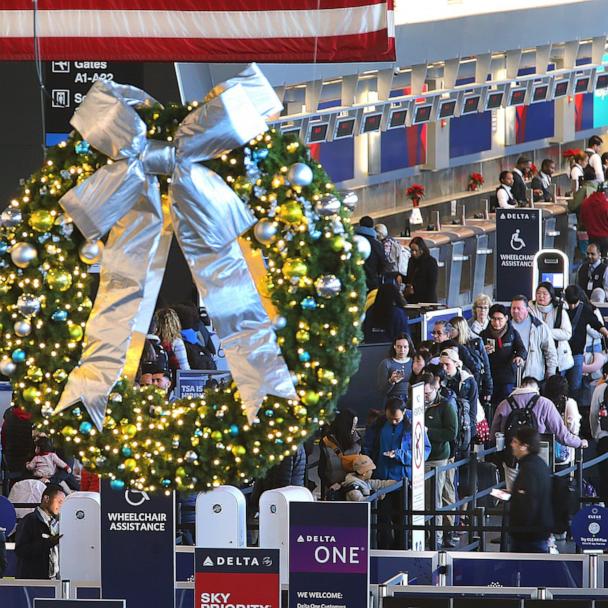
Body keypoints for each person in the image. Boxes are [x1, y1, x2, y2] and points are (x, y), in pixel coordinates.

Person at [490, 377, 586, 490]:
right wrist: (579, 442)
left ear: (521, 386)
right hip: (539, 459)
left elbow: (493, 435)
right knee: (536, 494)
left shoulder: (504, 404)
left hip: (512, 457)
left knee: (514, 495)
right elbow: (562, 435)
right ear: (536, 388)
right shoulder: (544, 403)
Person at [363, 398, 431, 549]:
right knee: (383, 520)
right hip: (382, 480)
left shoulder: (414, 424)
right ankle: (384, 550)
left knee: (402, 520)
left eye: (397, 419)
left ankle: (401, 549)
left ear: (405, 413)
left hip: (403, 481)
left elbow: (424, 451)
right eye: (390, 418)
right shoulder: (378, 425)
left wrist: (400, 454)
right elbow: (368, 446)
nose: (393, 422)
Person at [422, 372, 458, 548]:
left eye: (427, 393)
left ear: (435, 389)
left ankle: (439, 536)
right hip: (420, 458)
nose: (425, 397)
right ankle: (430, 534)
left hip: (439, 457)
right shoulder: (414, 404)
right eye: (422, 394)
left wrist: (429, 433)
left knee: (439, 496)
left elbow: (452, 433)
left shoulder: (445, 406)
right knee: (428, 499)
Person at [509, 427, 553, 553]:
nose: (512, 445)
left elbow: (529, 502)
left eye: (515, 442)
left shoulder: (528, 469)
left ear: (524, 446)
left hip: (528, 535)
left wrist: (518, 530)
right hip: (538, 531)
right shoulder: (539, 464)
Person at [564, 285, 608, 400]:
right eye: (570, 303)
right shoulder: (561, 309)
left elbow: (597, 324)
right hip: (562, 352)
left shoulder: (585, 309)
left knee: (575, 386)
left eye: (575, 303)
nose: (572, 306)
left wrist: (606, 333)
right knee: (560, 385)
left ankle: (574, 411)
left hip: (578, 353)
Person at [480, 304, 527, 405]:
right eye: (493, 319)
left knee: (506, 402)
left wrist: (519, 357)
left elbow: (522, 349)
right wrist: (482, 351)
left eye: (500, 319)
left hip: (507, 375)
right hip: (490, 375)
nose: (496, 322)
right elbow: (475, 354)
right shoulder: (484, 334)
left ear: (506, 318)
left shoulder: (513, 334)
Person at [15, 484, 65, 579]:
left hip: (53, 579)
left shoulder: (59, 522)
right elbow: (21, 550)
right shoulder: (29, 520)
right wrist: (48, 542)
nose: (61, 506)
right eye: (59, 502)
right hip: (34, 581)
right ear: (46, 499)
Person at [528, 282, 573, 375]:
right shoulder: (530, 309)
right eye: (538, 293)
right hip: (537, 355)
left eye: (545, 294)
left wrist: (545, 332)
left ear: (551, 296)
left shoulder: (559, 310)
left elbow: (567, 333)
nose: (541, 296)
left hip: (558, 355)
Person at [510, 295, 558, 382]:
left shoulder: (539, 326)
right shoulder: (505, 326)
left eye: (519, 308)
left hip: (533, 375)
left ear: (527, 310)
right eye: (513, 308)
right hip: (510, 375)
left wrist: (551, 373)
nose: (515, 311)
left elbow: (550, 351)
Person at [450, 316, 493, 405]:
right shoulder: (450, 345)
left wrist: (488, 389)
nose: (449, 332)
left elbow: (485, 365)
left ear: (459, 329)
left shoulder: (476, 342)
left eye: (452, 329)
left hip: (475, 385)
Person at [542, 375, 581, 471]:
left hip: (544, 451)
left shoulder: (542, 402)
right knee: (562, 481)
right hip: (564, 451)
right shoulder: (568, 402)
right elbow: (573, 427)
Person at [318, 408, 361, 494]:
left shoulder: (358, 441)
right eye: (352, 425)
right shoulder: (327, 442)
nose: (354, 428)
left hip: (353, 488)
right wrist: (330, 485)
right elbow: (321, 470)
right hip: (333, 489)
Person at [589, 363, 608, 504]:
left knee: (605, 477)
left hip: (604, 438)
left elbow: (593, 415)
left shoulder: (600, 389)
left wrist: (596, 435)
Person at [376, 334, 414, 403]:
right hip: (393, 402)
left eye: (405, 347)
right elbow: (382, 390)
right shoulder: (386, 363)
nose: (402, 350)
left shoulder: (413, 362)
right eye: (399, 347)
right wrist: (391, 381)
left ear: (409, 347)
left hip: (412, 400)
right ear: (394, 347)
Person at [355, 216, 388, 291]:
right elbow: (383, 264)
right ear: (372, 227)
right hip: (371, 283)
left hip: (355, 282)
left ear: (359, 225)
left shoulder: (353, 242)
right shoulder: (377, 244)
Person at [1, 405, 34, 479]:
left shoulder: (9, 416)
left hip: (10, 456)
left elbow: (3, 438)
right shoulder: (35, 416)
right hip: (28, 456)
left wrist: (5, 451)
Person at [153, 308, 190, 373]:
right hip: (171, 379)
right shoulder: (176, 342)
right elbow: (184, 368)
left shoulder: (153, 341)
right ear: (175, 323)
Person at [404, 236, 438, 304]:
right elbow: (409, 278)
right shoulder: (411, 261)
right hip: (412, 299)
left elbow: (432, 284)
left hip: (426, 300)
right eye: (411, 250)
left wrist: (415, 289)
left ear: (421, 250)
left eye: (415, 250)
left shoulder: (430, 262)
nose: (413, 253)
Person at [580, 187, 608, 256]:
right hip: (606, 237)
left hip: (591, 237)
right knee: (604, 260)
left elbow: (582, 219)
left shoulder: (585, 203)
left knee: (592, 259)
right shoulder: (606, 204)